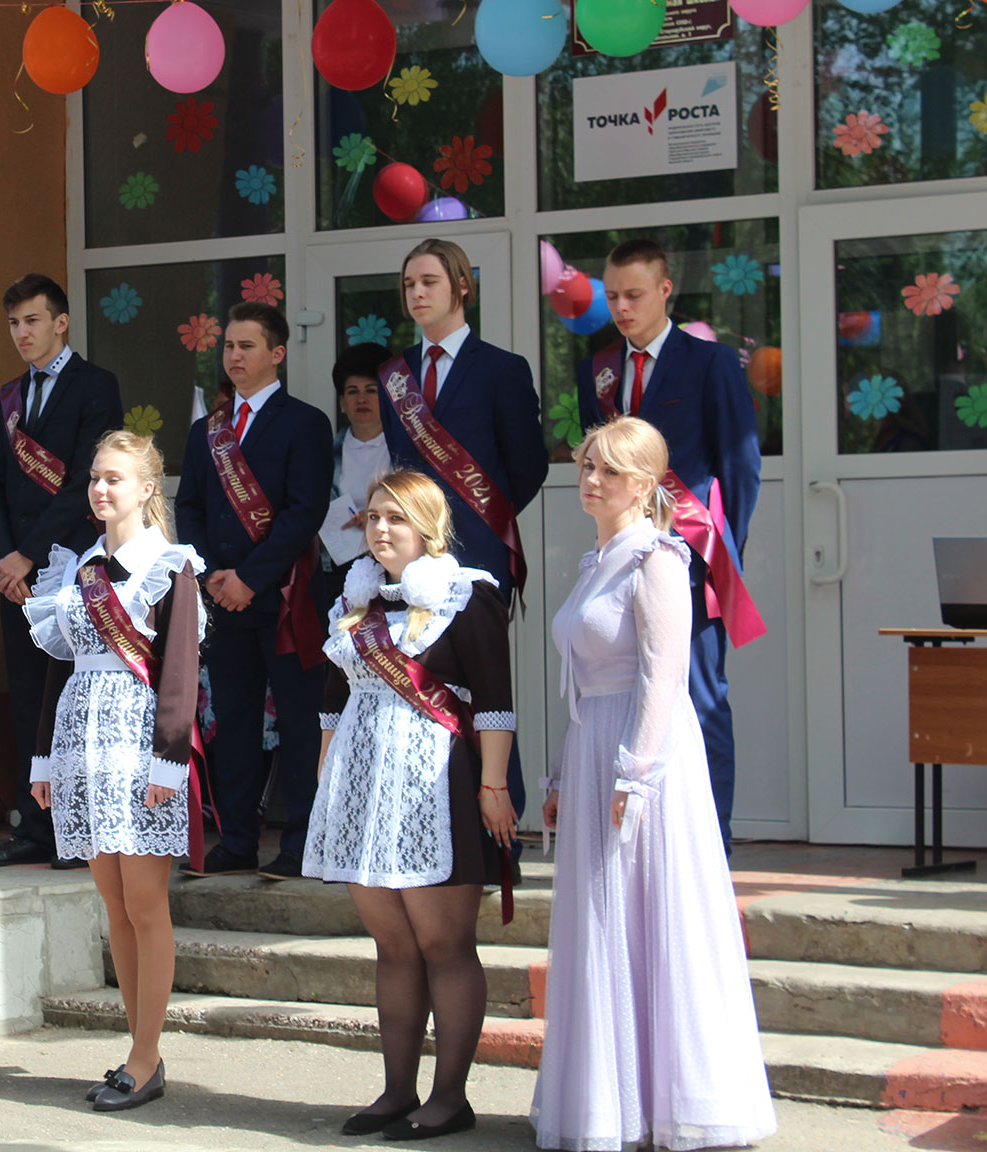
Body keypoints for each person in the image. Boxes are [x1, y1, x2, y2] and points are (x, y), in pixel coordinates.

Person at [533, 416, 775, 1150]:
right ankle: (613, 1103)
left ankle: (673, 1101)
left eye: (609, 470)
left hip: (645, 751)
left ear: (643, 484)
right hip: (594, 742)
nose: (591, 479)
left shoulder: (658, 558)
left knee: (644, 912)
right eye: (587, 465)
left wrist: (634, 775)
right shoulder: (596, 561)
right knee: (601, 919)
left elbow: (664, 675)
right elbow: (583, 683)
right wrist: (560, 771)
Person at [307, 470, 517, 1140]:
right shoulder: (355, 599)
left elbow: (494, 700)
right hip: (363, 784)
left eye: (395, 518)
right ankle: (396, 1092)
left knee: (443, 944)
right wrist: (327, 783)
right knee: (393, 945)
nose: (380, 529)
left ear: (428, 527)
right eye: (373, 517)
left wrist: (494, 786)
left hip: (437, 784)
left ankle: (449, 1098)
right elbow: (332, 700)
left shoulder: (467, 594)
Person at [25, 431, 204, 1113]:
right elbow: (58, 665)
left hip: (139, 739)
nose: (101, 489)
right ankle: (138, 1047)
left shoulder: (171, 565)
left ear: (148, 489)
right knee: (115, 904)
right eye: (96, 478)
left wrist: (170, 759)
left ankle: (146, 1056)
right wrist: (44, 757)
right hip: (82, 736)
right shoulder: (79, 567)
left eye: (115, 479)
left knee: (145, 902)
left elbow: (180, 670)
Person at [576, 238, 764, 846]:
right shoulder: (598, 370)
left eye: (634, 294)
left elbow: (740, 467)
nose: (621, 308)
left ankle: (712, 843)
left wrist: (720, 553)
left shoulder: (709, 363)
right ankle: (639, 835)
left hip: (691, 559)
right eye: (612, 296)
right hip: (618, 559)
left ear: (665, 290)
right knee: (623, 693)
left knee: (699, 697)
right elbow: (600, 470)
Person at [377, 240, 548, 839]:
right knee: (421, 687)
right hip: (413, 561)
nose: (417, 293)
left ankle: (500, 837)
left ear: (461, 287)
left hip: (477, 554)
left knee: (487, 691)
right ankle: (432, 830)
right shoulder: (394, 375)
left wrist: (480, 522)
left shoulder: (502, 368)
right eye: (409, 284)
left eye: (429, 281)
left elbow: (526, 467)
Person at [176, 301, 333, 880]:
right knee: (234, 723)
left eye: (247, 346)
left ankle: (302, 844)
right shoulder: (207, 432)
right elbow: (189, 507)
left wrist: (249, 578)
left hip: (286, 597)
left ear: (277, 353)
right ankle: (236, 839)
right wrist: (214, 576)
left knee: (298, 723)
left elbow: (303, 513)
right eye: (229, 346)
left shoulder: (305, 422)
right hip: (224, 599)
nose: (235, 356)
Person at [0, 274, 122, 871]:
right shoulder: (10, 394)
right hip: (16, 572)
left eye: (32, 320)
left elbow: (86, 481)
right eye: (14, 323)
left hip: (68, 562)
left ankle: (75, 830)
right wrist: (4, 557)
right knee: (26, 699)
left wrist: (29, 554)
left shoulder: (96, 385)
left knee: (67, 698)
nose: (22, 333)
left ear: (60, 322)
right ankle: (34, 828)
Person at [314, 342, 393, 611]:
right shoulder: (323, 452)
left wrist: (374, 517)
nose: (361, 399)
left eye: (371, 390)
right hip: (336, 570)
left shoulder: (405, 452)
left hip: (389, 565)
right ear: (342, 402)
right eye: (352, 391)